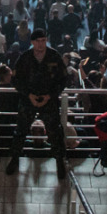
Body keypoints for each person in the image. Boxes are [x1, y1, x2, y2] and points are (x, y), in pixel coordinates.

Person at [6, 29, 69, 179]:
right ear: (32, 42)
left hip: (49, 100)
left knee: (54, 132)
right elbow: (15, 80)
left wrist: (50, 95)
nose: (41, 44)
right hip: (28, 99)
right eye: (37, 41)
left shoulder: (54, 56)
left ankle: (59, 162)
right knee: (20, 131)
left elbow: (64, 79)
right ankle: (14, 159)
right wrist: (28, 95)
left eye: (43, 40)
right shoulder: (24, 58)